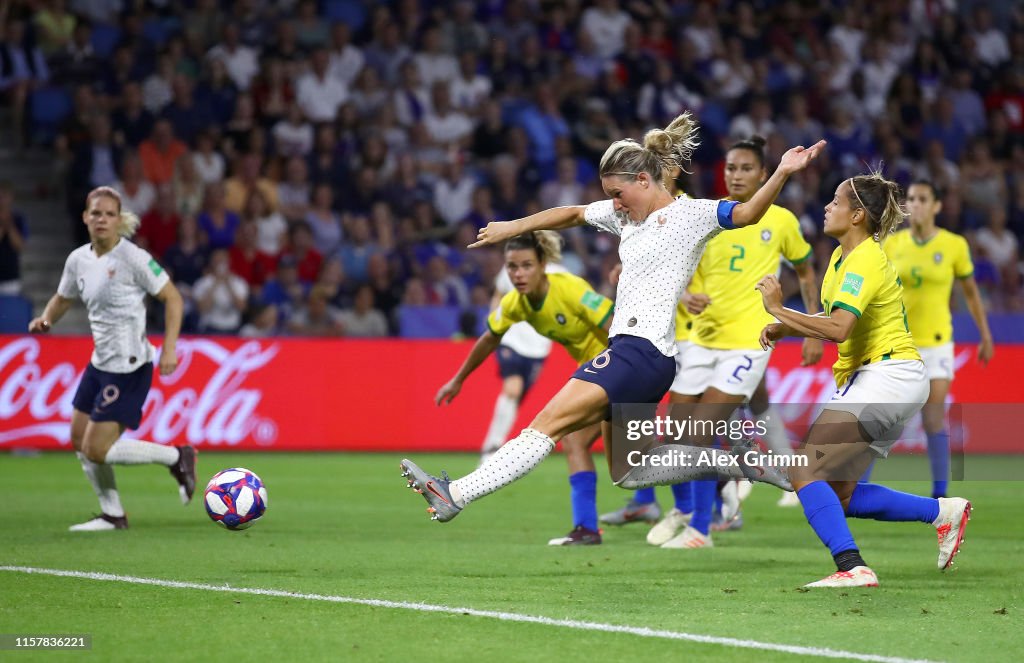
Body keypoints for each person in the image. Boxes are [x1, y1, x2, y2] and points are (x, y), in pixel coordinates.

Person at [400, 112, 824, 525]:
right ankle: (738, 463)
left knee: (546, 426)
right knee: (630, 472)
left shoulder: (690, 215)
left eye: (619, 193)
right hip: (643, 358)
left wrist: (784, 171)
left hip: (638, 353)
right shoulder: (625, 217)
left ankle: (454, 494)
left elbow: (747, 214)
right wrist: (513, 226)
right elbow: (571, 213)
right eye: (609, 195)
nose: (614, 203)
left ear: (644, 180)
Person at [755, 172, 971, 587]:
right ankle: (943, 512)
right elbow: (836, 319)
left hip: (887, 376)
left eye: (835, 201)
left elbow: (838, 330)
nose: (827, 207)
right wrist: (791, 327)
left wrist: (779, 310)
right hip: (888, 379)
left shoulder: (866, 259)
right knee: (842, 495)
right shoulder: (842, 259)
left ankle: (851, 565)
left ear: (857, 215)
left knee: (803, 469)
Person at [647, 136, 823, 549]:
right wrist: (686, 295)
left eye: (746, 168)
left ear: (763, 174)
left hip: (749, 339)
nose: (737, 175)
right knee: (678, 433)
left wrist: (812, 324)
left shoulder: (781, 221)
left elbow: (806, 271)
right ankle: (726, 486)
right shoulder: (710, 216)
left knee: (703, 426)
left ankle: (699, 529)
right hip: (703, 338)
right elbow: (683, 270)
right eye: (731, 168)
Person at [28, 186, 196, 532]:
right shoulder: (79, 260)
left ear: (119, 220)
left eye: (108, 214)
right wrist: (46, 319)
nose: (102, 219)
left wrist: (169, 347)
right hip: (99, 363)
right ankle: (113, 514)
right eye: (96, 213)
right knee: (79, 440)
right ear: (85, 218)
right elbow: (63, 297)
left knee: (97, 449)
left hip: (129, 366)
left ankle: (177, 456)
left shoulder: (133, 258)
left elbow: (173, 298)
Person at [435, 231, 612, 545]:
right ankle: (593, 526)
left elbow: (615, 323)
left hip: (616, 367)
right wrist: (459, 379)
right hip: (597, 371)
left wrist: (633, 372)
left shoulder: (570, 289)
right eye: (512, 267)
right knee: (625, 459)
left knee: (585, 443)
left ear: (543, 264)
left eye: (526, 265)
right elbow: (490, 337)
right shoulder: (515, 302)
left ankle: (695, 505)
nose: (517, 274)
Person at [881, 180, 994, 498]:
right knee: (883, 418)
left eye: (922, 199)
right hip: (898, 342)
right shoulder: (892, 244)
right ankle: (856, 487)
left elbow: (971, 294)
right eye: (911, 199)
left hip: (937, 342)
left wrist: (985, 334)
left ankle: (940, 494)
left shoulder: (954, 245)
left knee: (933, 417)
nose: (914, 204)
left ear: (936, 206)